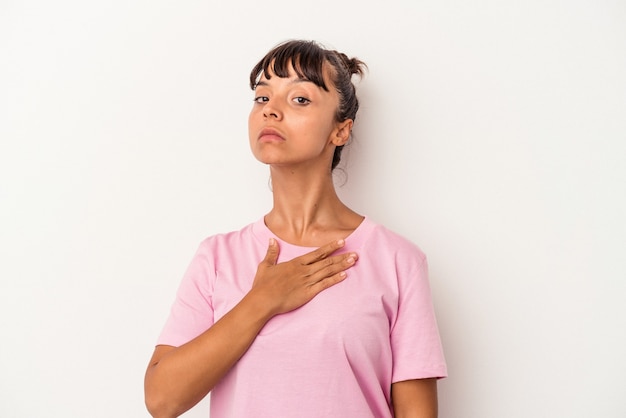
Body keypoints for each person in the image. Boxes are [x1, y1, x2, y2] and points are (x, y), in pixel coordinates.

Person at [144, 39, 447, 418]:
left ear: (341, 130)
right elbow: (161, 399)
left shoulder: (398, 261)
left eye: (299, 99)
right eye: (262, 98)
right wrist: (262, 301)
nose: (271, 111)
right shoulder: (218, 257)